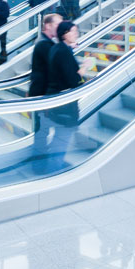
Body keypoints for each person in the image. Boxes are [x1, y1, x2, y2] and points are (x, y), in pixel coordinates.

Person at [43, 21, 90, 172]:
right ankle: (55, 167)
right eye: (73, 31)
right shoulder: (63, 52)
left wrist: (70, 49)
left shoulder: (56, 48)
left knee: (58, 135)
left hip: (55, 98)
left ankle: (53, 163)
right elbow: (73, 80)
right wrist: (84, 67)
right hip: (64, 102)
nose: (76, 34)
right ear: (64, 34)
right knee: (62, 136)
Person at [28, 13, 63, 172]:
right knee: (42, 132)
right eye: (58, 24)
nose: (61, 28)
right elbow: (55, 66)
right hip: (42, 96)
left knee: (41, 131)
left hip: (39, 93)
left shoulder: (45, 42)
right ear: (48, 25)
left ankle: (40, 163)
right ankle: (39, 166)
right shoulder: (45, 45)